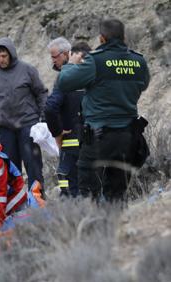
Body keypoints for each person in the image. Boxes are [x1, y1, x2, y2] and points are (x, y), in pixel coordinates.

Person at [58, 18, 150, 202]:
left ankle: (94, 229)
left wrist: (70, 64)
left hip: (99, 136)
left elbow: (64, 82)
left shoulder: (96, 61)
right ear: (123, 37)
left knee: (88, 193)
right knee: (117, 194)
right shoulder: (139, 61)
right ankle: (117, 228)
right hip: (128, 137)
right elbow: (143, 84)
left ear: (102, 39)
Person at [0, 37, 48, 190]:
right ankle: (16, 205)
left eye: (4, 56)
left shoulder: (27, 70)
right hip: (6, 128)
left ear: (11, 54)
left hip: (28, 125)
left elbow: (41, 93)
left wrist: (44, 117)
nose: (1, 59)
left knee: (33, 165)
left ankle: (38, 201)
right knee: (10, 169)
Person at [45, 38, 91, 197]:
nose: (52, 60)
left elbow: (50, 108)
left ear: (66, 55)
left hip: (71, 141)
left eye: (54, 56)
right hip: (95, 140)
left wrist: (57, 133)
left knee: (71, 189)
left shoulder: (65, 78)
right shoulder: (92, 74)